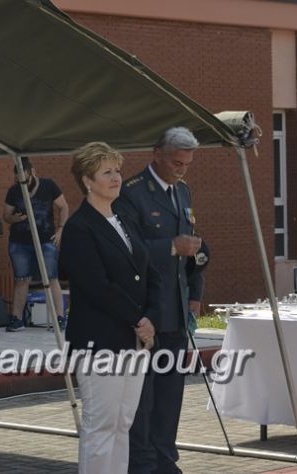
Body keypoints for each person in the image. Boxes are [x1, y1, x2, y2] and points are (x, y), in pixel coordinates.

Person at [59, 142, 160, 474]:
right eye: (107, 172)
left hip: (134, 340)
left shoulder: (125, 220)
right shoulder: (78, 228)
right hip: (99, 340)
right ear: (88, 180)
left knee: (122, 424)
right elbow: (98, 287)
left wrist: (151, 319)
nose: (116, 177)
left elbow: (149, 274)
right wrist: (139, 319)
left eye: (117, 170)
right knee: (100, 426)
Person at [117, 127, 204, 474]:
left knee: (170, 397)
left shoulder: (182, 191)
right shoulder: (132, 193)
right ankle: (143, 464)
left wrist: (196, 296)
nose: (181, 169)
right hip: (146, 312)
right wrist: (170, 247)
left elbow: (194, 248)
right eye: (175, 161)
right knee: (144, 397)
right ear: (156, 154)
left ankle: (166, 461)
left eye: (186, 163)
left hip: (177, 311)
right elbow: (125, 252)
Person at [3, 157, 69, 332]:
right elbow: (6, 215)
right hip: (20, 241)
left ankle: (60, 318)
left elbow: (63, 207)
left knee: (52, 278)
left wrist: (61, 229)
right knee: (21, 279)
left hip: (46, 239)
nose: (21, 182)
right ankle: (17, 319)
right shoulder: (13, 191)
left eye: (24, 178)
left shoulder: (49, 186)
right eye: (18, 180)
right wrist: (13, 218)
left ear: (32, 172)